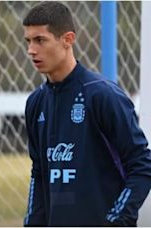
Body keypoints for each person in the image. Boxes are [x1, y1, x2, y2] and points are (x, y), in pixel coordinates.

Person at [23, 2, 151, 226]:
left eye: (40, 40)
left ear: (68, 39)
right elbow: (39, 173)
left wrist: (117, 219)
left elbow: (142, 164)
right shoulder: (36, 103)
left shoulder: (102, 95)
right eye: (29, 41)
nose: (31, 50)